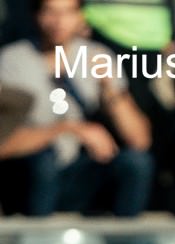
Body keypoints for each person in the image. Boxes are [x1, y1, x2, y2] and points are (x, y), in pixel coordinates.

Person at [0, 0, 153, 220]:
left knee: (136, 164)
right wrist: (67, 129)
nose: (59, 22)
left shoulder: (96, 56)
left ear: (81, 16)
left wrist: (110, 89)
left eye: (67, 12)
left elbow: (140, 141)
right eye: (50, 12)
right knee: (43, 161)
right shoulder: (12, 63)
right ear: (36, 15)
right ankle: (35, 243)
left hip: (79, 171)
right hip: (30, 175)